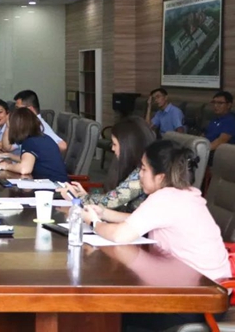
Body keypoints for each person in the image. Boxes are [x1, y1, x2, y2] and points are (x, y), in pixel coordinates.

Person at [82, 140, 230, 331]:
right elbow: (140, 220)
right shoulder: (182, 194)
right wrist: (104, 213)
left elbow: (120, 235)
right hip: (205, 292)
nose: (140, 174)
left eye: (144, 169)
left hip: (197, 302)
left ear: (160, 177)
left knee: (112, 314)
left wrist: (94, 223)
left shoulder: (165, 198)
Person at [58, 116, 155, 211]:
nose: (112, 148)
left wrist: (76, 197)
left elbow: (112, 201)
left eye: (115, 144)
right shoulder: (140, 166)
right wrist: (85, 196)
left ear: (128, 145)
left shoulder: (142, 172)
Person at [0, 108, 68, 182]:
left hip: (54, 187)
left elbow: (24, 169)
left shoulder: (30, 142)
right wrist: (9, 156)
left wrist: (6, 166)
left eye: (9, 127)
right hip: (57, 184)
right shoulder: (42, 137)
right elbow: (30, 160)